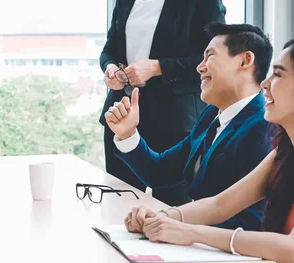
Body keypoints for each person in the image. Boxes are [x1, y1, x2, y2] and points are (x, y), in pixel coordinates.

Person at [123, 39, 294, 263]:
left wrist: (193, 232)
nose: (265, 83)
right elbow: (220, 205)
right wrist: (160, 218)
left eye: (279, 75)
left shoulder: (258, 129)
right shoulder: (283, 151)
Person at [105, 22, 274, 230]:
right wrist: (128, 134)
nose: (199, 66)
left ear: (245, 61)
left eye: (209, 56)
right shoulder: (211, 116)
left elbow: (252, 223)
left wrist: (171, 222)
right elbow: (160, 172)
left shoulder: (264, 127)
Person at [99, 0, 226, 194]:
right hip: (123, 112)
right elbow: (109, 48)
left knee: (170, 205)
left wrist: (158, 67)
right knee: (119, 200)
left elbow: (212, 56)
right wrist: (110, 67)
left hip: (173, 118)